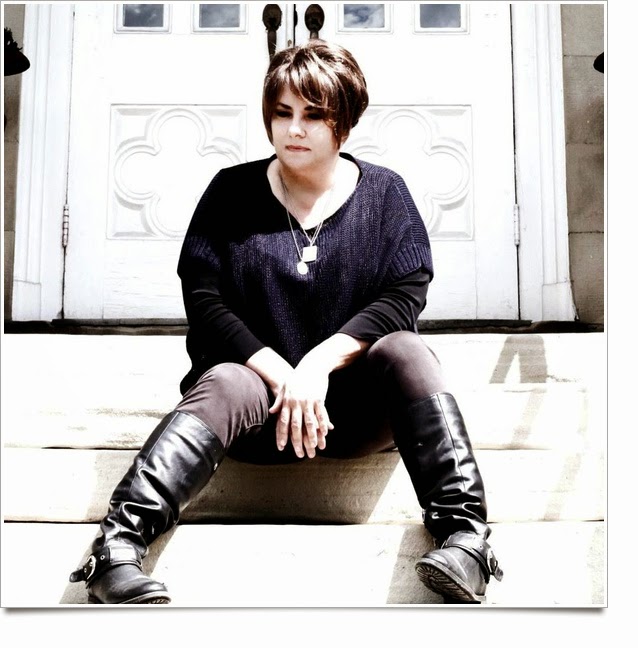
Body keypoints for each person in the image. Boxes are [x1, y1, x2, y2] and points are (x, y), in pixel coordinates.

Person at [69, 40, 503, 605]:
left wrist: (318, 366)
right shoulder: (230, 192)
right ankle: (116, 549)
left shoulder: (385, 194)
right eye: (282, 112)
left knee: (407, 350)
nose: (294, 129)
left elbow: (405, 292)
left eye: (313, 115)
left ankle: (466, 541)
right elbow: (205, 300)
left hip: (353, 416)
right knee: (227, 379)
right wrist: (284, 376)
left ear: (344, 120)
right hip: (256, 415)